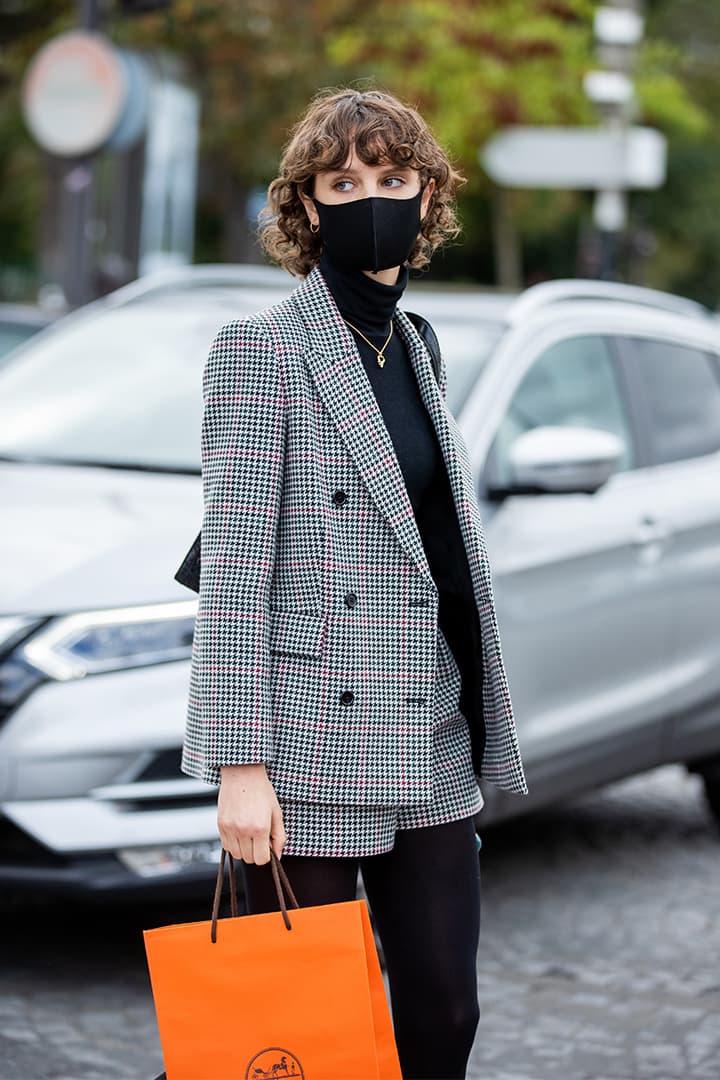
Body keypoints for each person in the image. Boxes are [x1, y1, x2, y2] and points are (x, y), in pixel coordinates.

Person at [182, 87, 528, 1080]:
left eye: (392, 177)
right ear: (308, 205)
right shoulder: (261, 351)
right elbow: (235, 576)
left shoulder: (419, 349)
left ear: (428, 199)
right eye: (343, 181)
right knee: (309, 1034)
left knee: (446, 1009)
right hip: (304, 754)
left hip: (430, 734)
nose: (370, 196)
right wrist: (239, 769)